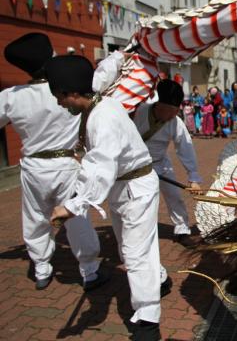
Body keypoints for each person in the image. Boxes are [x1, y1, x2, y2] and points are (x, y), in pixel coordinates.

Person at [47, 55, 170, 340]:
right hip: (123, 188)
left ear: (73, 93)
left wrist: (73, 205)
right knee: (129, 249)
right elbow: (102, 74)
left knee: (136, 255)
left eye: (60, 97)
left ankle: (149, 322)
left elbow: (100, 166)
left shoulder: (102, 118)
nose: (59, 103)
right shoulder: (99, 100)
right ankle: (161, 279)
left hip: (136, 189)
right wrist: (118, 57)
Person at [1, 33, 103, 291]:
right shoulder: (69, 89)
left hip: (34, 167)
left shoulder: (12, 96)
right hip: (67, 164)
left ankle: (42, 269)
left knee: (35, 217)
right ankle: (89, 271)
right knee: (77, 217)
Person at [132, 79, 202, 247]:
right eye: (170, 111)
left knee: (174, 196)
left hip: (160, 163)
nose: (172, 115)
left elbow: (185, 148)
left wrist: (193, 177)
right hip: (135, 165)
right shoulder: (139, 112)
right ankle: (138, 232)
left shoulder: (176, 122)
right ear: (159, 105)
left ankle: (182, 230)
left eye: (175, 111)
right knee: (140, 200)